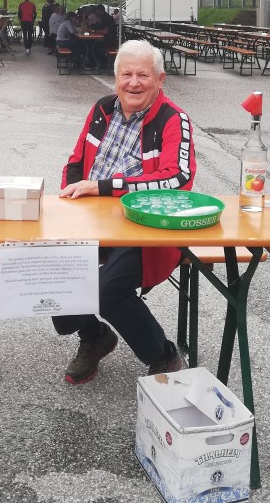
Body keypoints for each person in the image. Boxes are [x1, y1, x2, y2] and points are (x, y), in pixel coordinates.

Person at [54, 39, 195, 383]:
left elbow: (178, 179)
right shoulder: (102, 109)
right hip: (92, 220)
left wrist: (104, 187)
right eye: (126, 74)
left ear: (160, 79)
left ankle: (163, 354)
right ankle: (94, 336)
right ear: (116, 77)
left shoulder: (174, 119)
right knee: (48, 265)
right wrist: (71, 196)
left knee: (108, 290)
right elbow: (75, 162)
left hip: (145, 228)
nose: (134, 83)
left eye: (143, 75)